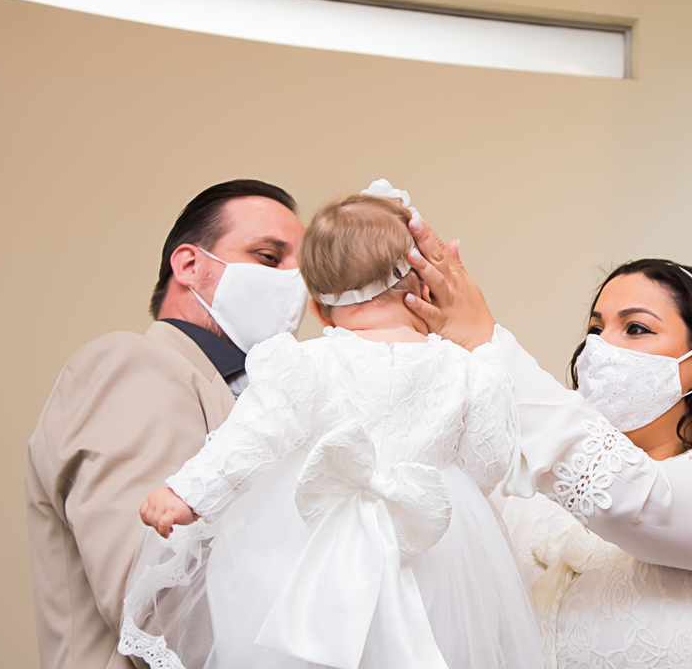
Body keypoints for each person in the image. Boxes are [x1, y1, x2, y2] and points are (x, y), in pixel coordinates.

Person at [121, 183, 541, 669]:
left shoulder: (303, 363)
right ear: (423, 290)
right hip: (440, 550)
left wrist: (187, 494)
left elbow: (252, 436)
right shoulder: (471, 367)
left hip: (317, 543)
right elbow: (488, 463)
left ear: (318, 307)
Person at [401, 217, 692, 668]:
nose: (600, 349)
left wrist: (483, 338)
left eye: (636, 328)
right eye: (596, 330)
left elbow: (631, 499)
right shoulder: (527, 496)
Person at [25, 179, 307, 669]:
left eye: (304, 270)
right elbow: (158, 608)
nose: (294, 283)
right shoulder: (134, 364)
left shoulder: (270, 405)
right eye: (267, 257)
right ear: (189, 266)